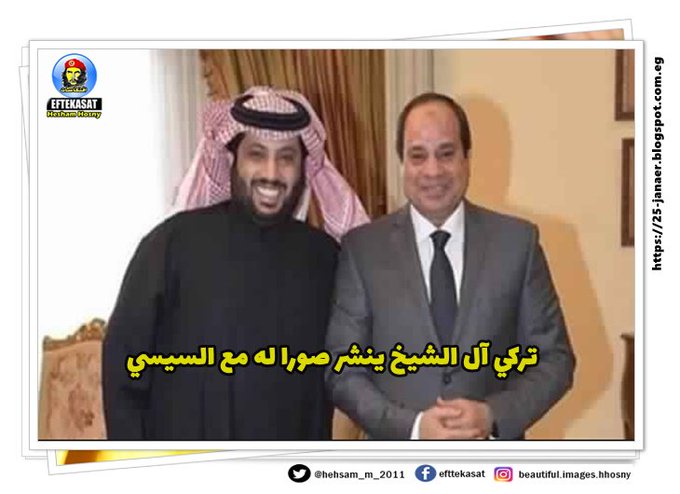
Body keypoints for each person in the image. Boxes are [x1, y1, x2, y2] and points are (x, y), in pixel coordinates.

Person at [102, 86, 368, 440]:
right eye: (257, 154)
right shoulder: (172, 245)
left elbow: (351, 365)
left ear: (302, 169)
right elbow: (123, 367)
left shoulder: (325, 259)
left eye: (286, 157)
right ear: (232, 160)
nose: (271, 173)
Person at [325, 92, 575, 440]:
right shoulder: (362, 250)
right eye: (418, 155)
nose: (433, 170)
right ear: (402, 163)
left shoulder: (518, 243)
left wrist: (493, 415)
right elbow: (343, 371)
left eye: (446, 153)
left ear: (467, 158)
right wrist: (413, 427)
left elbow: (554, 359)